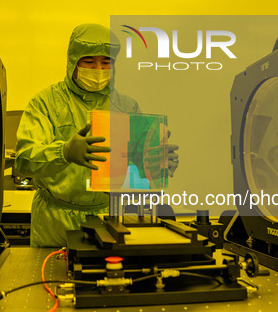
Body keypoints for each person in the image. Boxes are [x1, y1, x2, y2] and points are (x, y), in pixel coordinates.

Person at [15, 23, 177, 247]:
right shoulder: (45, 102)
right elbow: (24, 161)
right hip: (55, 219)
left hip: (108, 217)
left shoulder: (126, 105)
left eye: (106, 62)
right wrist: (63, 152)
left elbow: (138, 167)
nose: (99, 70)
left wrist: (158, 163)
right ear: (73, 62)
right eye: (89, 62)